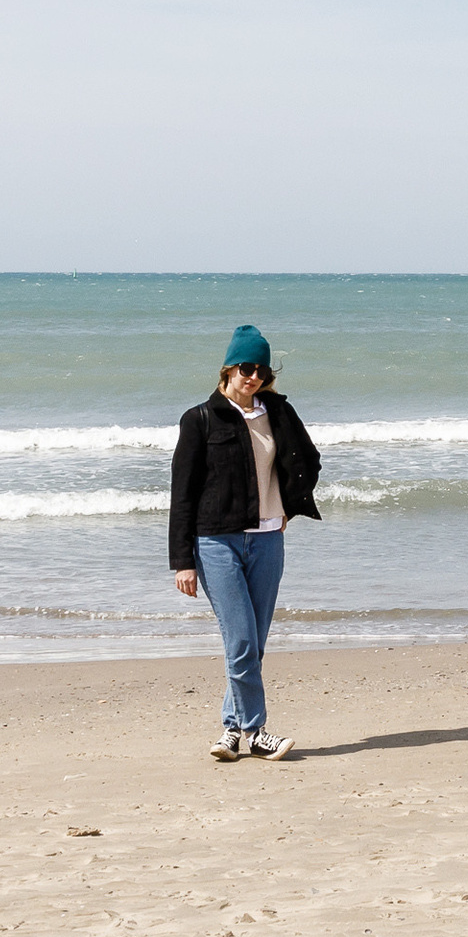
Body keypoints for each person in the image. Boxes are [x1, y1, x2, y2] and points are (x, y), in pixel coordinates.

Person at [170, 325, 322, 761]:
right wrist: (183, 561)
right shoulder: (199, 419)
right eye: (246, 368)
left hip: (268, 541)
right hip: (216, 543)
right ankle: (256, 732)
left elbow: (308, 460)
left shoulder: (279, 413)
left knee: (253, 643)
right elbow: (182, 493)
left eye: (261, 371)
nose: (253, 377)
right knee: (240, 642)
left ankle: (231, 731)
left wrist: (288, 506)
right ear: (228, 369)